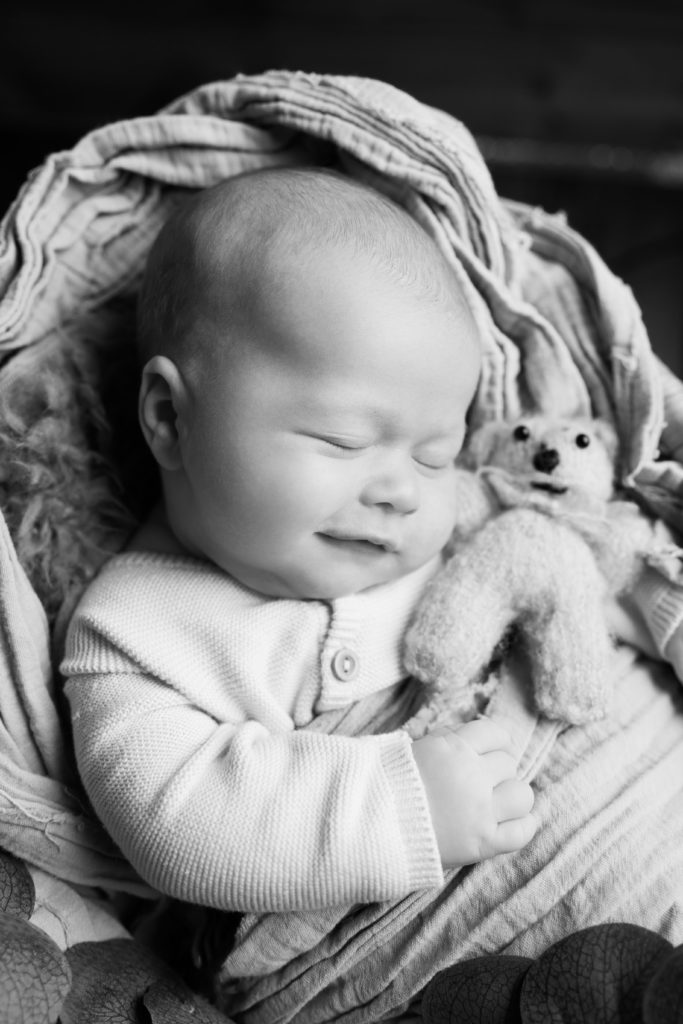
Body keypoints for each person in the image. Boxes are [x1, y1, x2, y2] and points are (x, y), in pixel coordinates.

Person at [62, 166, 537, 916]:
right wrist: (398, 808)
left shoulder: (448, 523)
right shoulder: (138, 632)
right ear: (168, 418)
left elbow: (556, 564)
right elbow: (179, 824)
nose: (400, 491)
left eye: (434, 454)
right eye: (342, 440)